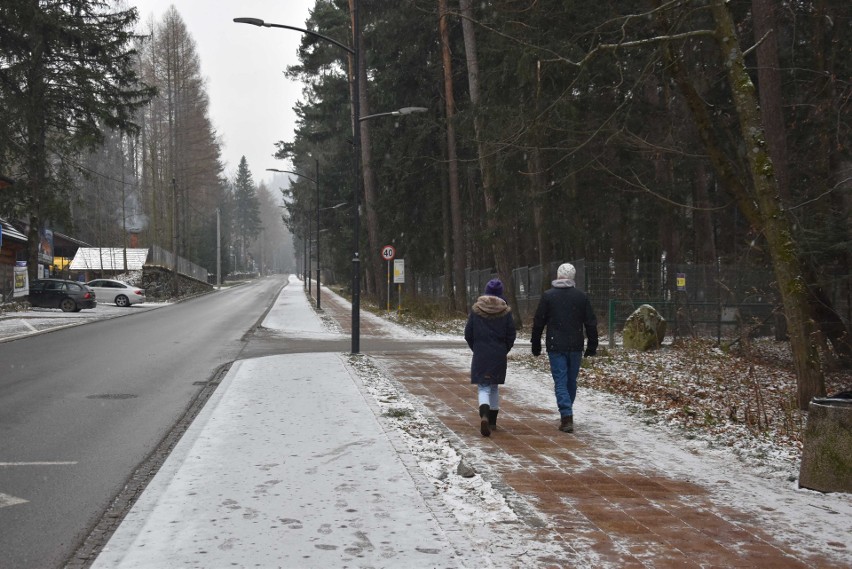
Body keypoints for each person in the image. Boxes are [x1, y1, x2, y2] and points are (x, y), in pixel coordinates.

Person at [531, 263, 598, 433]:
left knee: (560, 380)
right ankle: (567, 411)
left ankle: (566, 414)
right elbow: (590, 322)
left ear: (558, 275)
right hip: (575, 344)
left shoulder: (548, 296)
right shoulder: (581, 297)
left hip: (556, 344)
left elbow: (539, 321)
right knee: (570, 381)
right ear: (573, 277)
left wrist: (536, 342)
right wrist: (592, 344)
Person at [464, 278, 516, 437]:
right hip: (498, 354)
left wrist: (477, 348)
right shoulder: (506, 312)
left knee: (483, 387)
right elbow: (511, 335)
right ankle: (492, 422)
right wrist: (503, 350)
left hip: (481, 353)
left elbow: (468, 333)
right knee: (494, 386)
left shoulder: (476, 310)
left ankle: (484, 415)